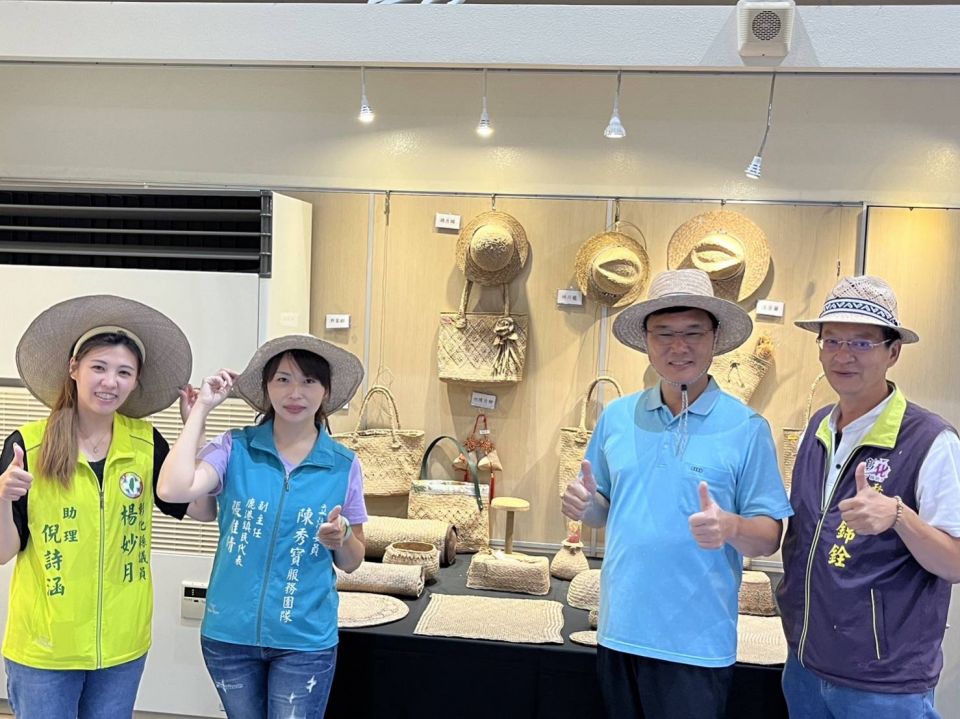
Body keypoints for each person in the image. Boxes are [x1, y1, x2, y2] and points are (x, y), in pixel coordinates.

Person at [562, 269, 792, 719]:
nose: (678, 346)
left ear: (715, 339)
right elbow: (602, 509)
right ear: (646, 341)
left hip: (696, 643)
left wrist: (730, 526)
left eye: (692, 332)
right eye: (664, 333)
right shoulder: (617, 417)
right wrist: (586, 506)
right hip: (619, 630)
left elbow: (769, 538)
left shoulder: (747, 428)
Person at [0, 294, 213, 719]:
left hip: (120, 647)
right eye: (98, 367)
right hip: (45, 648)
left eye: (123, 372)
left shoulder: (145, 443)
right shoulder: (29, 445)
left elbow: (203, 510)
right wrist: (2, 497)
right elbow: (3, 551)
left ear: (135, 382)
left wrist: (195, 426)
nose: (109, 382)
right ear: (74, 368)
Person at [157, 334, 368, 719]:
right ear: (267, 387)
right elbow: (173, 489)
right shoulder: (234, 447)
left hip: (304, 639)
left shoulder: (343, 465)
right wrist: (200, 411)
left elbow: (353, 562)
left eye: (308, 381)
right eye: (283, 379)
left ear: (325, 391)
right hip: (229, 636)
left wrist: (343, 536)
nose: (295, 393)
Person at [777, 275, 960, 718]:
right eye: (832, 340)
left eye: (861, 343)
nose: (843, 356)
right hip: (804, 665)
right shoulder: (819, 426)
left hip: (884, 684)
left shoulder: (931, 440)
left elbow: (955, 564)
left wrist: (898, 515)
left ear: (893, 352)